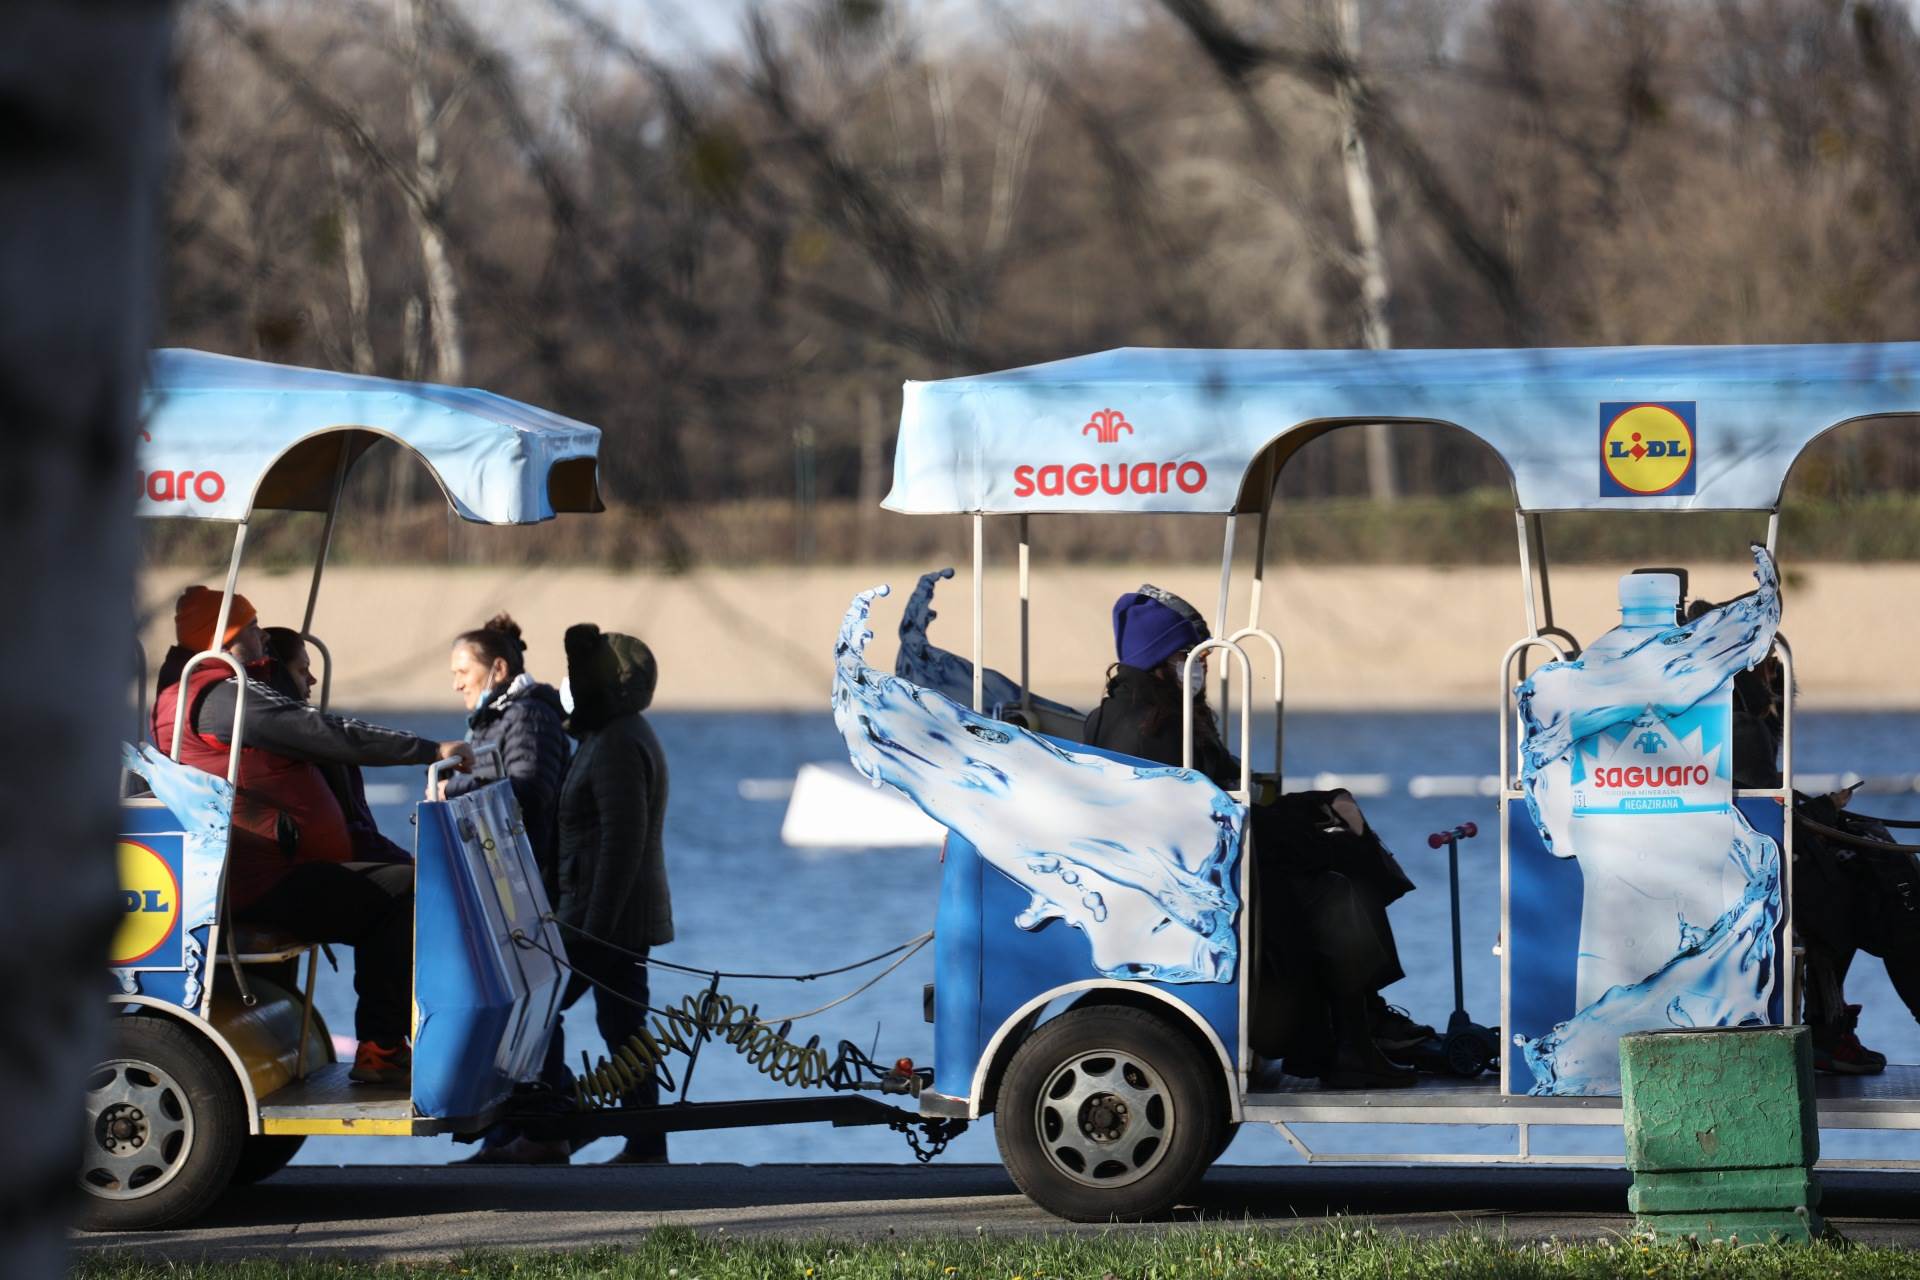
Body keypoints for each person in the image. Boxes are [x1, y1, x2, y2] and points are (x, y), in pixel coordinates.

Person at [1083, 585, 1432, 1089]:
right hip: (1196, 878)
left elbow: (1225, 797)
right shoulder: (1156, 727)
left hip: (1199, 863)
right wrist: (1313, 820)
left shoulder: (1137, 713)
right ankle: (1353, 1037)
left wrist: (1313, 808)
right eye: (1190, 655)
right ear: (1163, 659)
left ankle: (1360, 1025)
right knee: (1337, 885)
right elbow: (1211, 818)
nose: (1200, 666)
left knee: (1337, 851)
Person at [153, 586, 473, 1085]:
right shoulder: (221, 697)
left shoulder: (213, 690)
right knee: (406, 895)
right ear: (229, 639)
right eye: (253, 628)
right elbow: (322, 732)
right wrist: (428, 749)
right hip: (263, 879)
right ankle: (381, 1046)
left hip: (271, 870)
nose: (263, 636)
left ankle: (410, 1035)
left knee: (408, 883)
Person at [551, 622, 675, 1163]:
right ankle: (642, 1139)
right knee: (622, 1024)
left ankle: (552, 1128)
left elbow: (621, 844)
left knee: (545, 1013)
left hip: (607, 920)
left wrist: (594, 930)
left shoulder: (620, 742)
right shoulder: (608, 735)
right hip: (602, 915)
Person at [262, 626, 408, 863]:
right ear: (281, 676)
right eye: (302, 671)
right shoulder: (305, 740)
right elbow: (353, 829)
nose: (312, 679)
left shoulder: (290, 733)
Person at [444, 614, 569, 879]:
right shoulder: (492, 720)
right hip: (504, 869)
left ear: (498, 669)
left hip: (534, 874)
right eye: (454, 675)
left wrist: (451, 789)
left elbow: (530, 791)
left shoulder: (529, 715)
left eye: (463, 672)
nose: (457, 685)